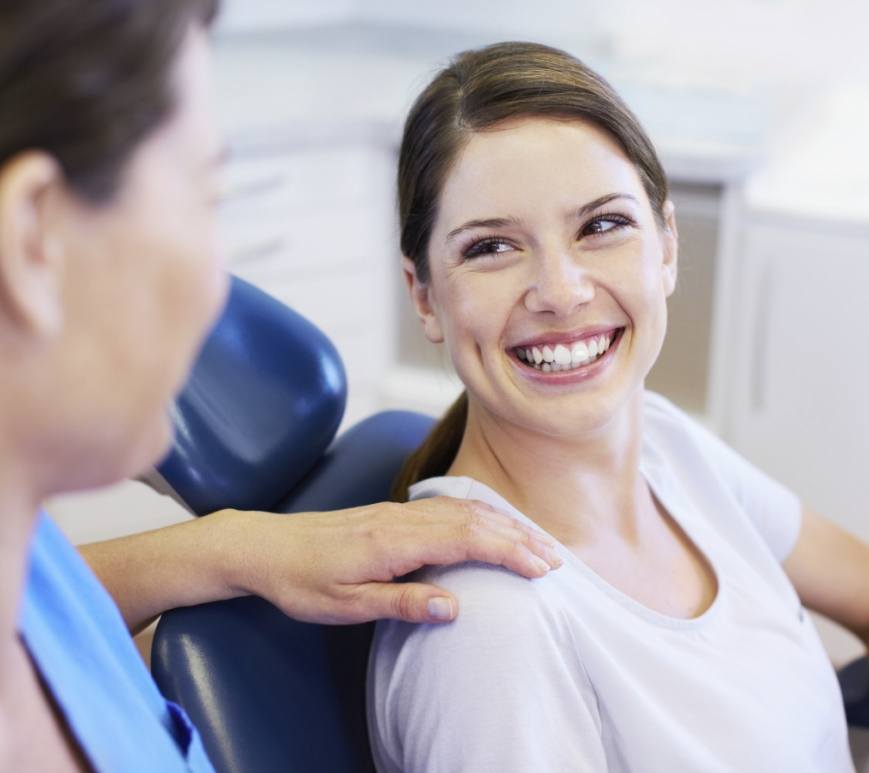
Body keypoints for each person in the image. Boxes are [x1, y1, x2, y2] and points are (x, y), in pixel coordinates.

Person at [0, 4, 562, 770]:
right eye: (204, 199)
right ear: (33, 240)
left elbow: (57, 601)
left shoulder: (32, 566)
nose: (217, 293)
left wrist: (230, 547)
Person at [367, 41, 869, 772]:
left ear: (665, 245)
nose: (561, 291)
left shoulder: (669, 447)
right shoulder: (489, 632)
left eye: (600, 226)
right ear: (424, 295)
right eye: (492, 248)